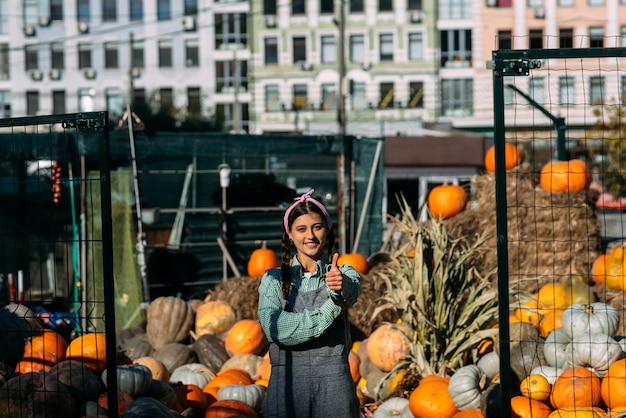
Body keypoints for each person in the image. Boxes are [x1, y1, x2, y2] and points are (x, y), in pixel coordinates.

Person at [257, 189, 362, 418]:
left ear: (327, 230)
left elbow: (350, 292)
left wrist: (338, 287)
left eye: (317, 227)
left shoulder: (344, 273)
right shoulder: (273, 279)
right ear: (290, 234)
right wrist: (329, 310)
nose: (310, 236)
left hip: (335, 386)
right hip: (286, 386)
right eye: (301, 229)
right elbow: (275, 328)